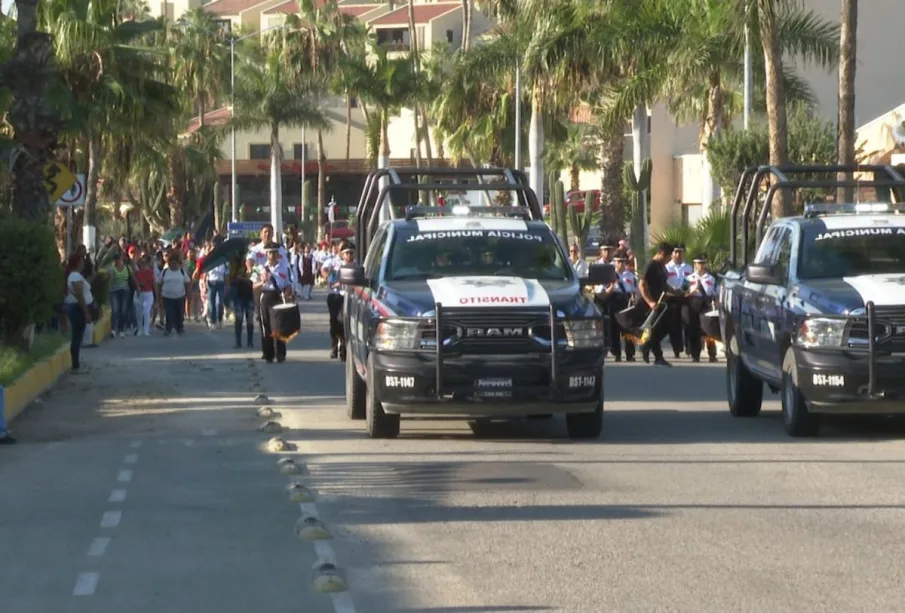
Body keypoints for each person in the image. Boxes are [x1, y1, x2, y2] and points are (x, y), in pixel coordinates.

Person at [254, 243, 293, 363]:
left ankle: (280, 354)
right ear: (266, 254)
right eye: (270, 253)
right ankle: (268, 354)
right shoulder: (260, 268)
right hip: (265, 296)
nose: (273, 255)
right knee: (266, 326)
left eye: (275, 252)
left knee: (279, 326)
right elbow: (253, 286)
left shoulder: (283, 268)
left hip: (278, 296)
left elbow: (288, 284)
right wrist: (262, 282)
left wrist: (287, 293)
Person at [637, 242, 674, 367]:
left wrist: (676, 291)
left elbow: (664, 284)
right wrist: (650, 302)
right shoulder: (651, 265)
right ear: (663, 254)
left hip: (661, 302)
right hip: (650, 303)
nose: (670, 259)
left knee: (667, 326)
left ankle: (646, 345)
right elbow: (641, 284)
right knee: (655, 329)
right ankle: (658, 356)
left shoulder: (662, 266)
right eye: (669, 256)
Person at [681, 254, 719, 363]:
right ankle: (695, 355)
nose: (701, 266)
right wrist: (693, 290)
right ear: (694, 265)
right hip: (693, 303)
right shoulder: (688, 278)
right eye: (698, 263)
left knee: (709, 329)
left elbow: (715, 293)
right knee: (694, 330)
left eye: (702, 263)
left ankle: (712, 354)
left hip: (706, 303)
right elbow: (684, 294)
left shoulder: (711, 278)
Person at [64, 252, 95, 374]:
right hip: (78, 309)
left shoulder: (76, 276)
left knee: (77, 336)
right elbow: (80, 295)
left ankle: (76, 363)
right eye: (81, 262)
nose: (83, 264)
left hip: (78, 308)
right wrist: (86, 312)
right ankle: (75, 364)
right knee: (77, 336)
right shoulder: (75, 277)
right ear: (77, 263)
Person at [665, 244, 692, 359]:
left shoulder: (688, 268)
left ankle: (689, 348)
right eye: (675, 252)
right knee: (674, 324)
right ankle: (677, 349)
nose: (677, 254)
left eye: (680, 252)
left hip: (685, 297)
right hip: (672, 297)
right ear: (671, 253)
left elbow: (691, 281)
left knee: (687, 321)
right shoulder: (666, 267)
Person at [321, 242, 348, 359]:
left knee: (344, 322)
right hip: (334, 295)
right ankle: (334, 346)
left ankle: (343, 347)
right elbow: (324, 269)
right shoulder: (333, 261)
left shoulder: (352, 262)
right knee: (334, 322)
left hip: (346, 295)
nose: (343, 252)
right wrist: (327, 275)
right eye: (341, 249)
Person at [158, 251, 190, 336]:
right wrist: (159, 296)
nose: (173, 264)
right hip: (167, 297)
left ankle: (180, 327)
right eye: (171, 262)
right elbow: (159, 283)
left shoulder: (182, 272)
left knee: (180, 313)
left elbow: (187, 282)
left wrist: (188, 294)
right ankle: (168, 328)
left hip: (180, 296)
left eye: (175, 262)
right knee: (169, 313)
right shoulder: (165, 272)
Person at [229, 256, 255, 349]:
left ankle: (250, 342)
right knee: (239, 320)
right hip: (239, 297)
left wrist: (245, 278)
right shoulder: (237, 269)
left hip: (250, 297)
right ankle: (238, 342)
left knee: (250, 320)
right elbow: (231, 281)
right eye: (247, 262)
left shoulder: (254, 271)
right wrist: (237, 278)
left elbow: (255, 282)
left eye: (250, 262)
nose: (249, 263)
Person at [108, 250, 134, 339]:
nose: (116, 261)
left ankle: (122, 329)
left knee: (123, 310)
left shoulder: (127, 268)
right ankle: (113, 329)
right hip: (114, 291)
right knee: (115, 310)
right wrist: (109, 290)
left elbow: (133, 278)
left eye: (118, 259)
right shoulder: (112, 268)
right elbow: (111, 280)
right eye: (115, 259)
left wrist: (137, 287)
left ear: (121, 259)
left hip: (125, 291)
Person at [134, 255, 156, 337]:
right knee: (139, 313)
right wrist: (138, 285)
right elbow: (135, 283)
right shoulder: (136, 273)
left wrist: (156, 295)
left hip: (148, 293)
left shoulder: (151, 272)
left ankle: (146, 330)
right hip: (139, 294)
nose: (143, 264)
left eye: (145, 263)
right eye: (141, 263)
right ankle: (140, 329)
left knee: (146, 312)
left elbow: (154, 284)